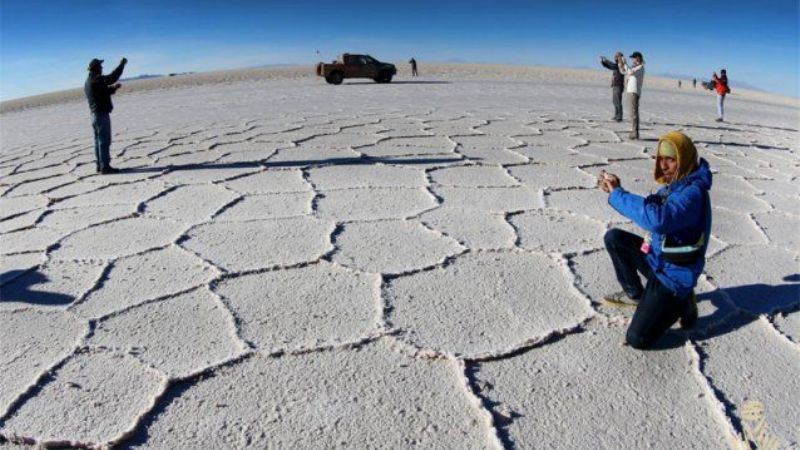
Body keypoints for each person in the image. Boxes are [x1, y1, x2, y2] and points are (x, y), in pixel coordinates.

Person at [598, 131, 713, 349]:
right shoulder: (675, 184)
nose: (663, 164)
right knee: (614, 238)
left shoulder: (693, 194)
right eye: (660, 158)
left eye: (670, 159)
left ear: (685, 159)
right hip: (656, 259)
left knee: (638, 339)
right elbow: (653, 211)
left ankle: (683, 301)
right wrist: (616, 189)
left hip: (674, 275)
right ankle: (636, 295)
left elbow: (659, 220)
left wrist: (618, 194)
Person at [85, 57, 127, 174]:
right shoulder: (96, 79)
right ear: (96, 68)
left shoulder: (89, 81)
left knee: (98, 141)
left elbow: (102, 92)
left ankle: (100, 165)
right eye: (100, 66)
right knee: (104, 140)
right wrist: (122, 65)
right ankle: (105, 167)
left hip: (95, 115)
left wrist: (113, 88)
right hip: (100, 115)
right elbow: (111, 78)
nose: (102, 68)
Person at [618, 51, 645, 140]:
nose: (632, 59)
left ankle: (635, 133)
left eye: (634, 57)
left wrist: (625, 63)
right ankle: (634, 132)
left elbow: (630, 72)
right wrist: (620, 64)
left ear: (638, 58)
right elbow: (623, 72)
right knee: (631, 112)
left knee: (633, 113)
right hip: (630, 91)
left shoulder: (640, 67)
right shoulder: (634, 67)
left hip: (634, 92)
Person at [599, 52, 624, 122]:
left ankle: (619, 117)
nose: (615, 57)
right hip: (615, 85)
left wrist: (606, 60)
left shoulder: (621, 64)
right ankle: (616, 115)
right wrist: (602, 62)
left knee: (618, 101)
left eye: (617, 56)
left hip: (619, 85)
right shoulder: (616, 65)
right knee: (615, 101)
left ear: (620, 57)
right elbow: (609, 67)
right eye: (615, 56)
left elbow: (613, 65)